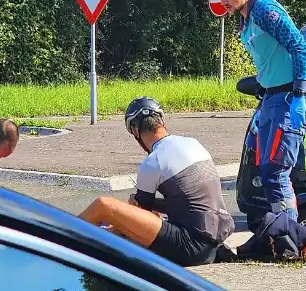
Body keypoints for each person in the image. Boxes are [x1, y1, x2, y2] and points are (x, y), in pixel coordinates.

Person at [210, 0, 306, 220]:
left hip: (290, 97)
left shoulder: (264, 10)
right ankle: (282, 230)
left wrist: (300, 94)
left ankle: (289, 235)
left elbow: (298, 46)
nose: (224, 2)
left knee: (276, 172)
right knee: (265, 170)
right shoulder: (244, 19)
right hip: (273, 97)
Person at [79, 97, 235, 267]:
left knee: (104, 205)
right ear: (161, 120)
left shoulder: (153, 161)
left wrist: (113, 226)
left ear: (136, 130)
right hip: (212, 242)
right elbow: (189, 204)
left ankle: (58, 237)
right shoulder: (193, 143)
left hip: (190, 246)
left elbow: (140, 212)